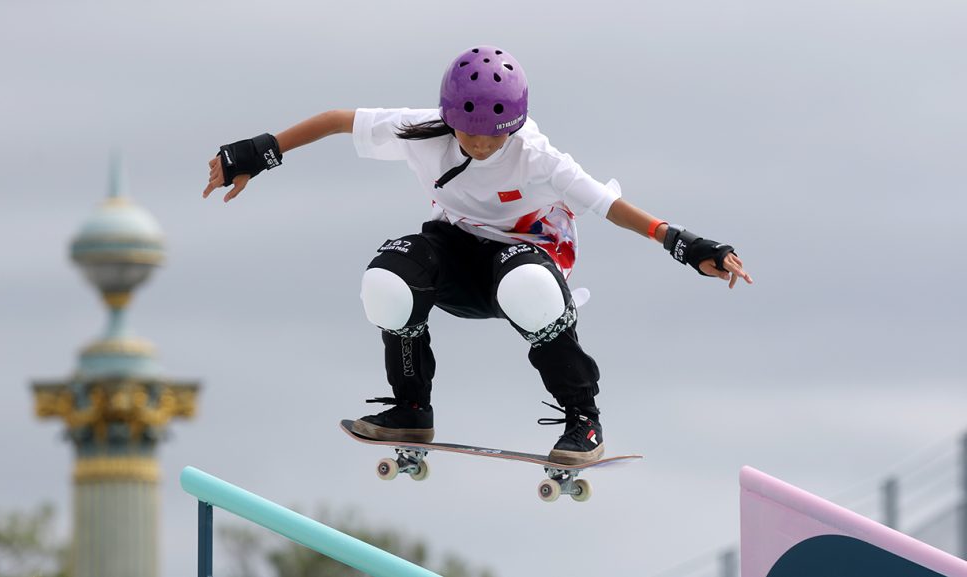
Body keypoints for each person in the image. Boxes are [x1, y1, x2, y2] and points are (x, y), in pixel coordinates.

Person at [201, 45, 753, 465]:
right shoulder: (420, 130)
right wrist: (260, 151)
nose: (480, 145)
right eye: (468, 133)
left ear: (513, 126)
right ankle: (412, 410)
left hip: (526, 259)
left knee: (526, 289)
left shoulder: (541, 159)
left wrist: (687, 245)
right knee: (388, 284)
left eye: (494, 136)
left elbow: (611, 207)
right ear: (449, 116)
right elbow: (337, 120)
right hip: (456, 257)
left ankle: (583, 418)